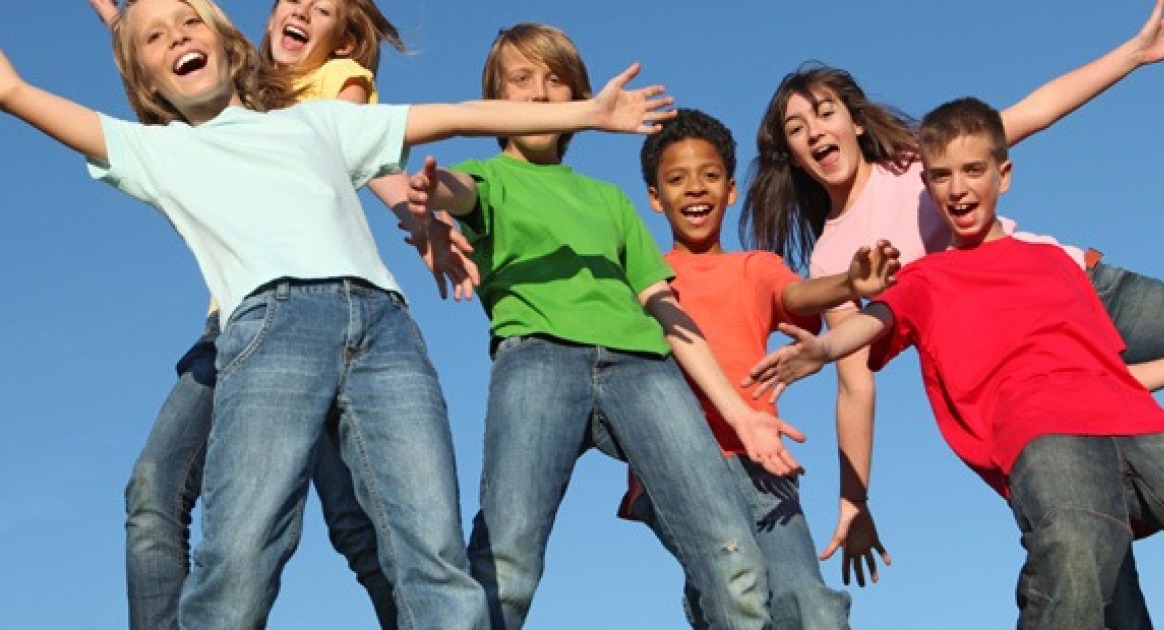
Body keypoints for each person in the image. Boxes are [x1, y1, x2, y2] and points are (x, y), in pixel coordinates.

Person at [0, 0, 675, 626]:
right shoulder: (155, 151)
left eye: (190, 22)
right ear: (146, 82)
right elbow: (16, 92)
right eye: (155, 37)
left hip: (385, 332)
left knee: (434, 558)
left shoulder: (317, 120)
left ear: (229, 44)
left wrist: (587, 112)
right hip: (272, 332)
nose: (177, 36)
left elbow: (457, 114)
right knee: (240, 557)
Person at [739, 2, 1164, 620]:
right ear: (791, 154)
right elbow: (855, 382)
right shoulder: (832, 256)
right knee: (1088, 544)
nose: (815, 131)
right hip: (1024, 369)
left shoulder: (919, 161)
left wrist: (1134, 54)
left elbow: (1034, 112)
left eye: (825, 112)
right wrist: (855, 499)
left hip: (1082, 292)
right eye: (797, 128)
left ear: (854, 121)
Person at [403, 23, 805, 630]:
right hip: (538, 359)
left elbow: (667, 311)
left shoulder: (609, 200)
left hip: (643, 370)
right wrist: (432, 190)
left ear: (577, 98)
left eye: (555, 79)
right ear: (496, 98)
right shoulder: (488, 178)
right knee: (508, 563)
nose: (539, 93)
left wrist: (741, 413)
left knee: (733, 559)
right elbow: (456, 191)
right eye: (521, 79)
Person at [84, 1, 471, 627]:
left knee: (359, 524)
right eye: (294, 1)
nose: (302, 13)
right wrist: (117, 15)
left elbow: (362, 153)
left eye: (322, 11)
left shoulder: (333, 83)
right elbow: (158, 46)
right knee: (154, 489)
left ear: (341, 39)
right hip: (239, 323)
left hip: (322, 311)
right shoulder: (227, 72)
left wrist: (415, 213)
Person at [621, 107, 901, 628]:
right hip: (679, 464)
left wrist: (849, 284)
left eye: (709, 176)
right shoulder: (642, 279)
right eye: (677, 180)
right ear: (655, 198)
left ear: (730, 190)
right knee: (736, 583)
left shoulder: (753, 267)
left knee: (810, 605)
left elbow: (796, 295)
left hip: (762, 464)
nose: (695, 189)